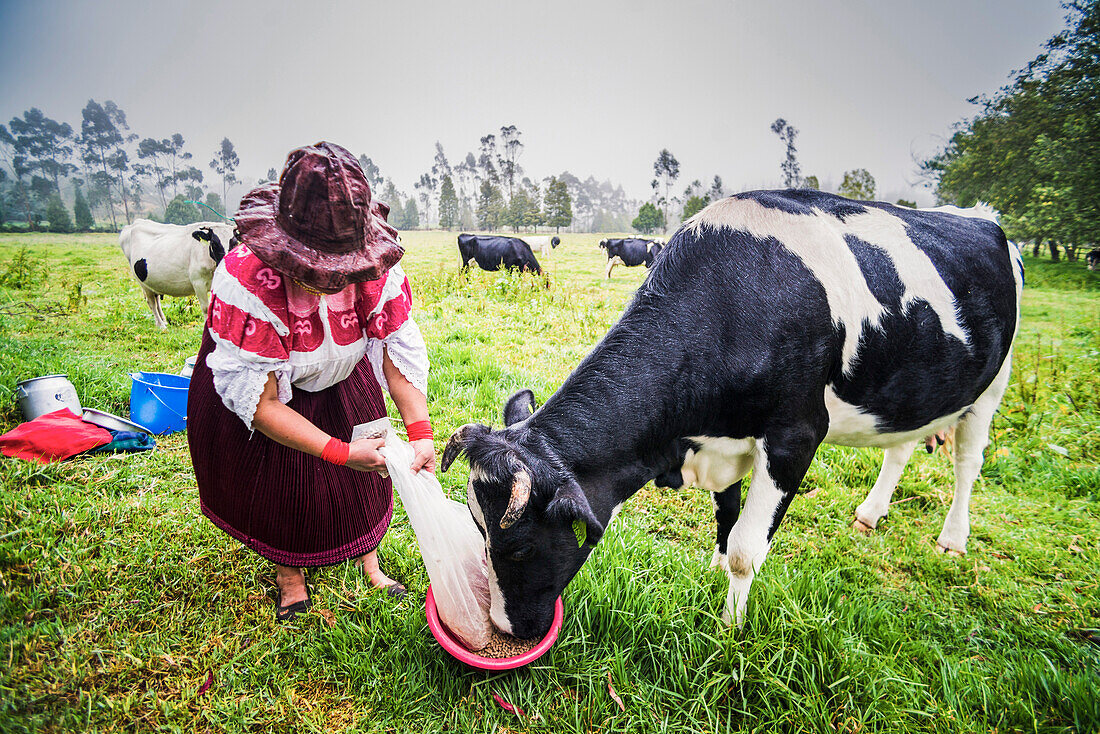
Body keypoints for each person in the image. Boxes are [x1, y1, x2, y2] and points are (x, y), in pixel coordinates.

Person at [187, 142, 433, 621]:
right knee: (282, 484)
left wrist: (419, 429)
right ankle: (290, 576)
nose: (336, 281)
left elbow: (396, 348)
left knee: (365, 473)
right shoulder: (245, 282)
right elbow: (262, 406)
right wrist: (336, 451)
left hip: (343, 373)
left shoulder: (375, 273)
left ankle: (368, 559)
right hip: (272, 389)